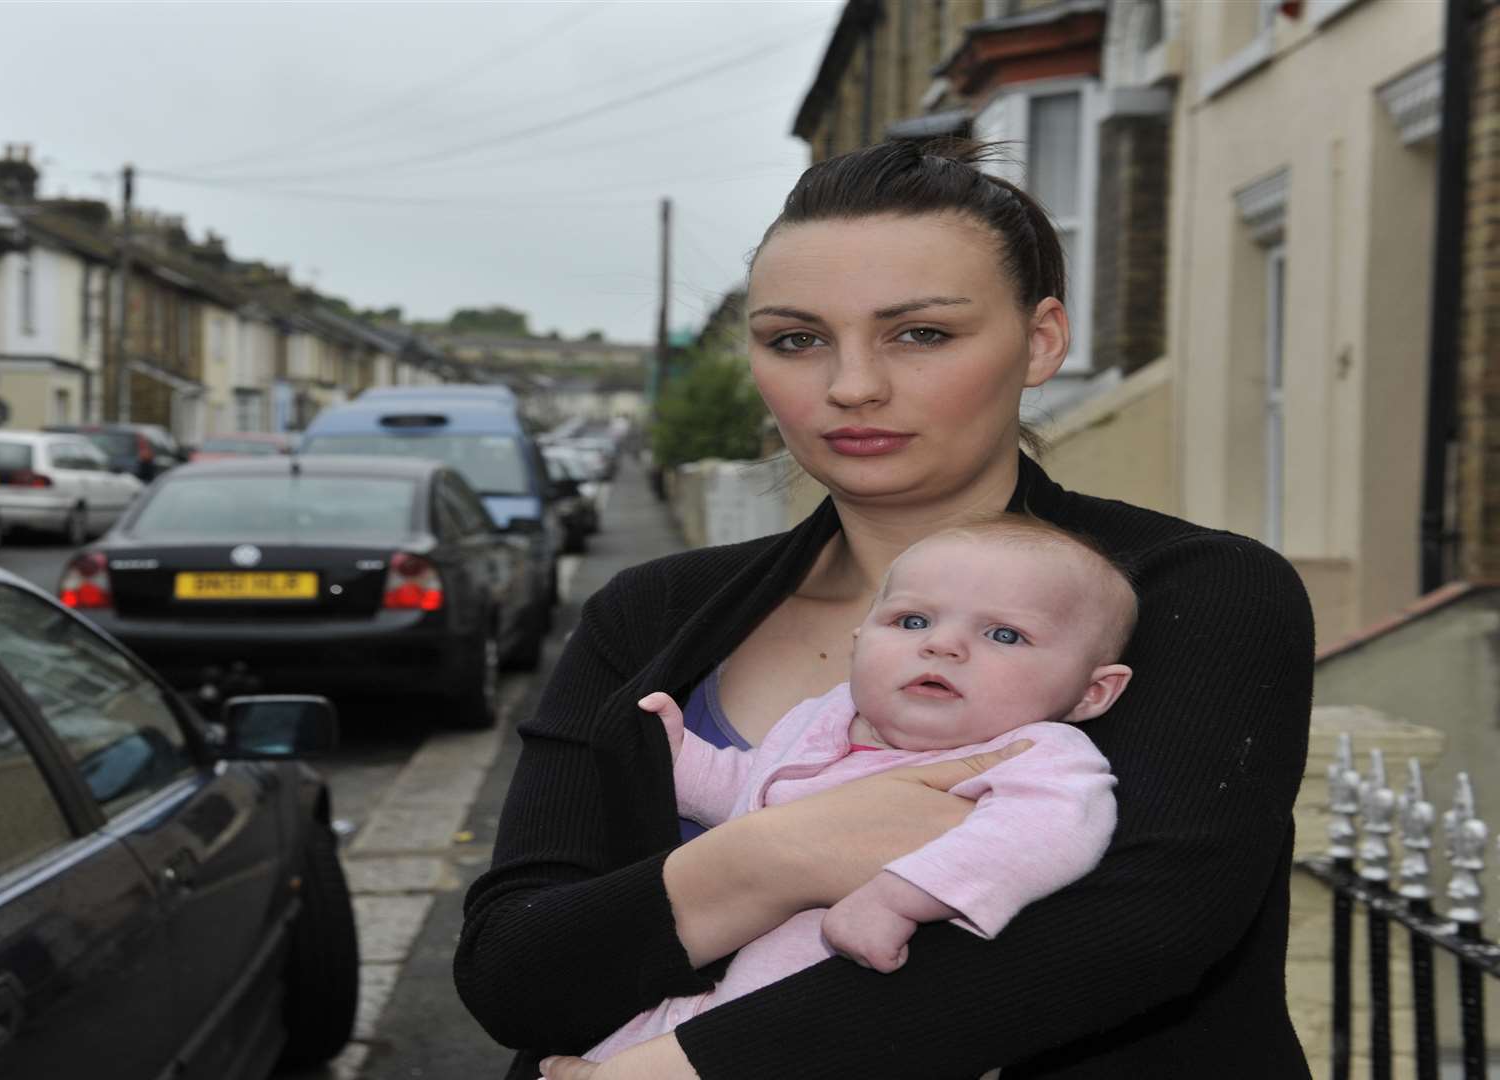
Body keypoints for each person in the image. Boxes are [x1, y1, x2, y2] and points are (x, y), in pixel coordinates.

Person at [453, 137, 1314, 1080]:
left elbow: (1136, 934)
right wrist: (779, 854)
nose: (851, 385)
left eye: (921, 333)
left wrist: (668, 1069)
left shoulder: (1193, 593)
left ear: (1040, 341)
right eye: (796, 339)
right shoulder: (652, 613)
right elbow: (513, 974)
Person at [579, 518, 1134, 1071]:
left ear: (1092, 692)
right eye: (912, 620)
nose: (941, 644)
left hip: (834, 1029)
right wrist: (676, 761)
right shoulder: (827, 717)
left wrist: (902, 895)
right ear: (859, 642)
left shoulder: (1040, 752)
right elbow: (751, 794)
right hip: (713, 998)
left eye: (1004, 634)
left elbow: (1044, 835)